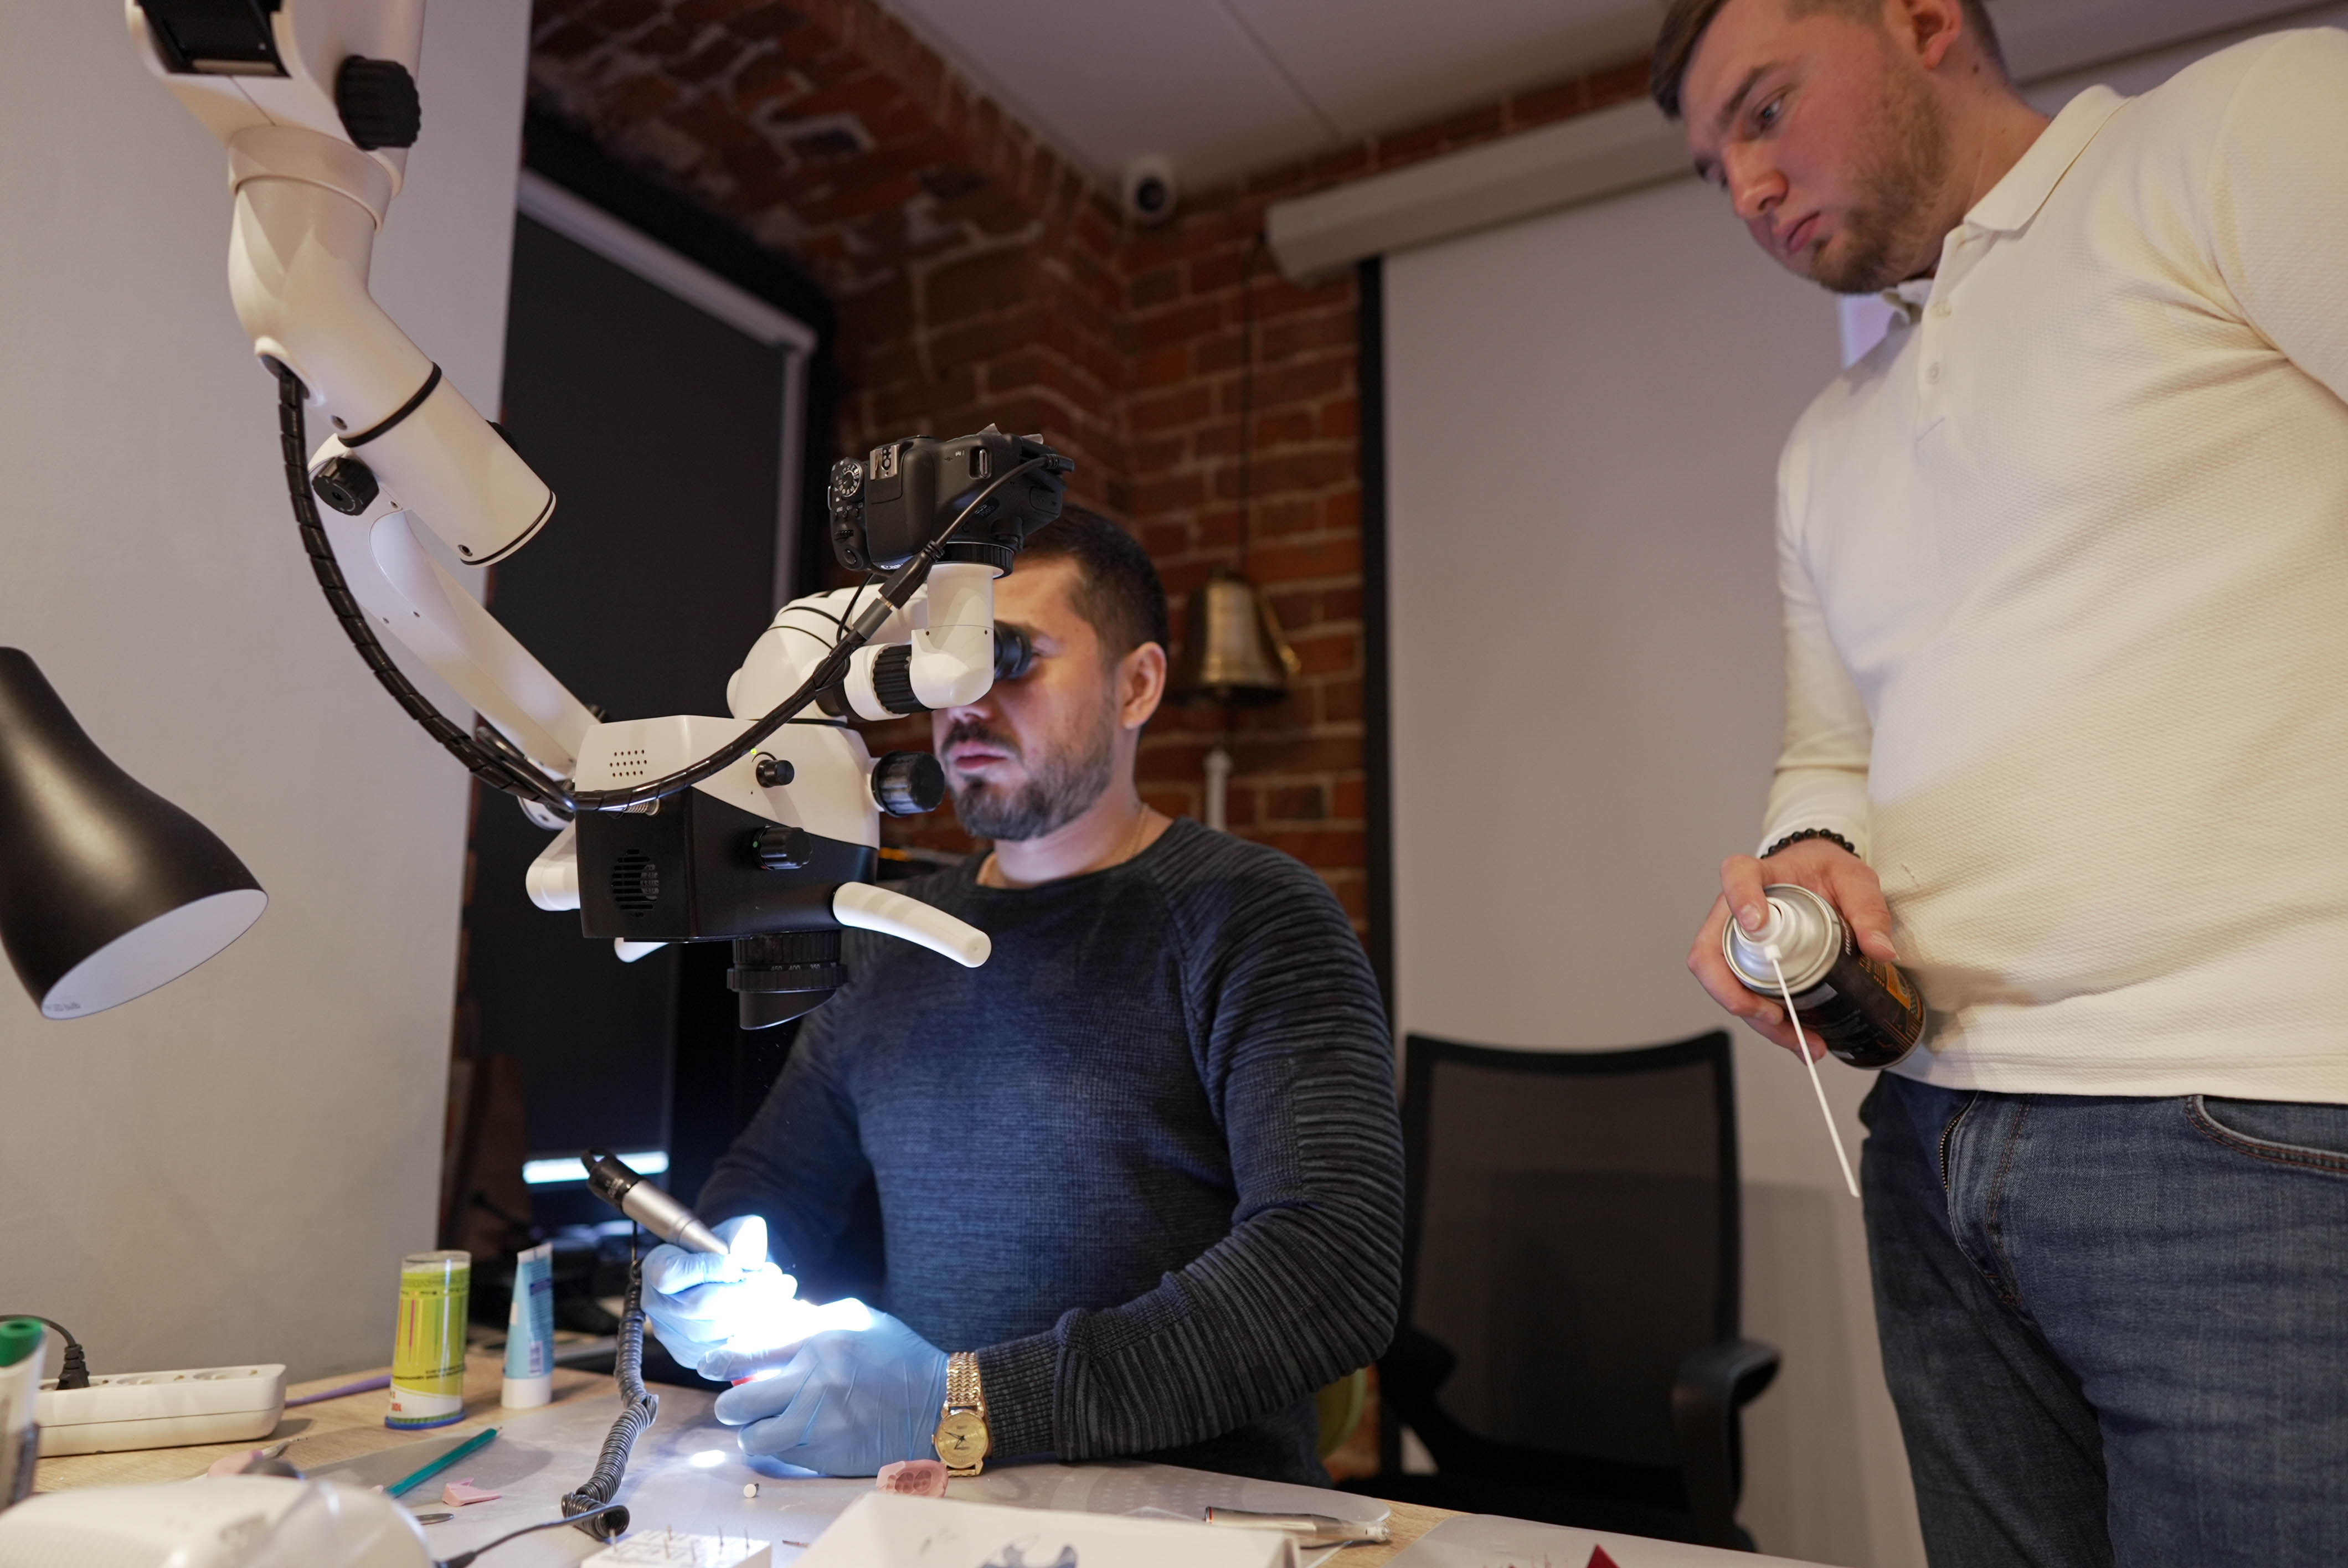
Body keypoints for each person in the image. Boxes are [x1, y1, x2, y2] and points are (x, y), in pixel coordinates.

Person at [1657, 0, 2348, 1561]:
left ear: (1921, 20)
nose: (1748, 187)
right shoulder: (1825, 442)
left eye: (1763, 109)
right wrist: (1808, 855)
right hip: (1932, 1144)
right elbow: (1831, 752)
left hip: (2261, 1130)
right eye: (1714, 169)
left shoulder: (2239, 133)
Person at [638, 508, 1403, 1487]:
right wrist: (715, 1269)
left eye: (1010, 658)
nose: (966, 703)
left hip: (1186, 1516)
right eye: (943, 666)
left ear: (1137, 685)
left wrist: (969, 1403)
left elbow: (1334, 1264)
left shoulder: (1251, 915)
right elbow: (776, 1185)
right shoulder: (888, 936)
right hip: (935, 1502)